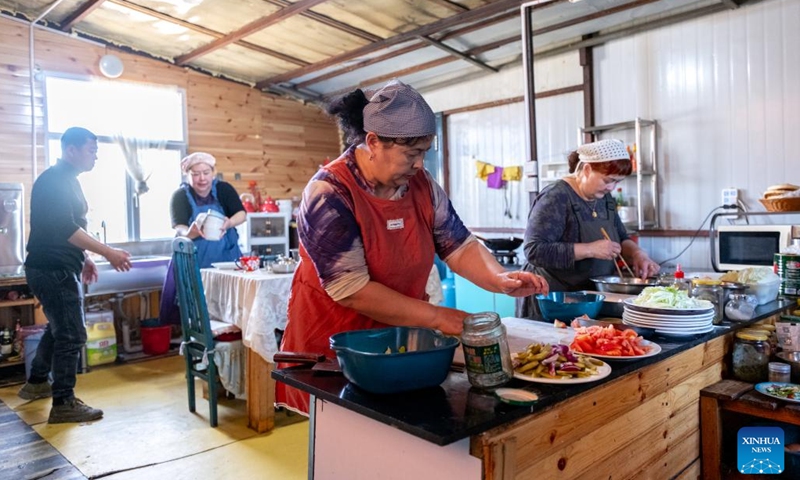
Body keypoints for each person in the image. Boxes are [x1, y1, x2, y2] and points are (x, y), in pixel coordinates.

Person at [276, 80, 549, 414]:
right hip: (337, 354)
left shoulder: (421, 185)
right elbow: (351, 289)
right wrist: (438, 317)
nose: (420, 164)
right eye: (411, 154)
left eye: (424, 153)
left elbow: (458, 245)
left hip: (400, 347)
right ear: (373, 142)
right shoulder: (328, 193)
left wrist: (499, 278)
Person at [19, 127, 132, 423]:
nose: (95, 156)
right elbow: (64, 228)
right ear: (71, 150)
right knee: (72, 333)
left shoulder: (67, 180)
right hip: (51, 268)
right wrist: (107, 252)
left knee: (59, 327)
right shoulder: (55, 181)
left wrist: (85, 257)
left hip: (54, 266)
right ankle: (63, 403)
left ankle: (37, 382)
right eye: (91, 150)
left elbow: (69, 227)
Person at [517, 139, 660, 318]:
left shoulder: (604, 199)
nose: (611, 187)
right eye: (608, 180)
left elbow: (621, 237)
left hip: (589, 299)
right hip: (552, 299)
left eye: (617, 182)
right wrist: (590, 249)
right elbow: (534, 250)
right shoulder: (556, 197)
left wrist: (638, 254)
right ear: (586, 169)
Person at [158, 152, 246, 324]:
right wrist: (191, 233)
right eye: (196, 174)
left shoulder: (224, 189)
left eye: (206, 173)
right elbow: (179, 227)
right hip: (194, 262)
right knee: (197, 311)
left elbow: (241, 214)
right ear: (187, 175)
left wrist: (229, 223)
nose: (202, 178)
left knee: (229, 305)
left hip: (226, 259)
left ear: (213, 172)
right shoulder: (180, 196)